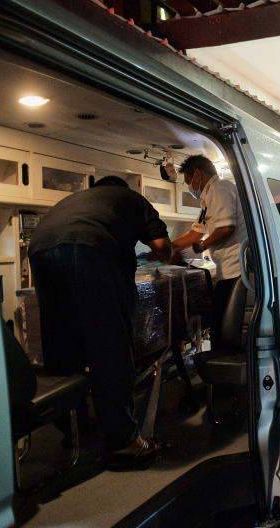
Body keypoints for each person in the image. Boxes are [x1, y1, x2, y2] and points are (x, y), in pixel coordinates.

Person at [29, 175, 172, 467]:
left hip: (40, 248)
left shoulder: (72, 200)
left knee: (62, 346)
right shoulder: (133, 199)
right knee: (110, 346)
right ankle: (124, 443)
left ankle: (75, 429)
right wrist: (160, 255)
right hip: (91, 248)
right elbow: (161, 246)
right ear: (123, 190)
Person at [171, 155, 248, 350]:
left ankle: (224, 373)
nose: (190, 186)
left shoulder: (220, 189)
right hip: (227, 270)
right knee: (218, 324)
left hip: (236, 270)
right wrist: (169, 248)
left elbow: (226, 228)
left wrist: (203, 245)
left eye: (189, 181)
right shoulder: (209, 196)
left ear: (198, 173)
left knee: (222, 328)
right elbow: (196, 232)